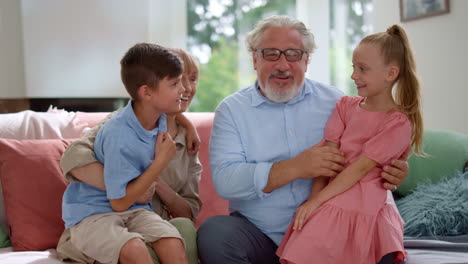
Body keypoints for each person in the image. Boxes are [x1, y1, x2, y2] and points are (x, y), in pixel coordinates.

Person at [197, 15, 410, 264]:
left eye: (293, 54)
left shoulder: (337, 102)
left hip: (331, 234)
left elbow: (368, 156)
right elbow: (226, 181)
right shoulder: (231, 110)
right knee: (215, 234)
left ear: (307, 60)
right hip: (261, 234)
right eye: (271, 54)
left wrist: (396, 169)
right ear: (255, 59)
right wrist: (298, 166)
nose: (282, 64)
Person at [277, 24, 423, 264]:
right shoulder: (345, 106)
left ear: (390, 74)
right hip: (334, 195)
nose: (354, 75)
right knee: (301, 249)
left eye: (362, 69)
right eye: (354, 67)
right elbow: (327, 161)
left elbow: (359, 169)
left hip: (365, 202)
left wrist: (316, 201)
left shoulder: (398, 123)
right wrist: (312, 204)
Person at [57, 47, 202, 264]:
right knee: (135, 248)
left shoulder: (162, 120)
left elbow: (189, 212)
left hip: (137, 213)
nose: (186, 88)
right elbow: (72, 157)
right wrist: (135, 184)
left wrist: (187, 124)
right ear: (148, 92)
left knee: (177, 237)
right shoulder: (118, 129)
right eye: (176, 82)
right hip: (102, 213)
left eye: (192, 79)